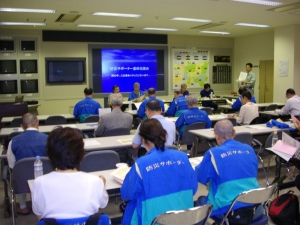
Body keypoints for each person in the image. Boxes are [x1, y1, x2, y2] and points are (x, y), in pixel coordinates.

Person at [121, 119, 198, 225]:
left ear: (143, 139)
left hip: (154, 221)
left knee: (130, 207)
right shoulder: (183, 157)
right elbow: (194, 189)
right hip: (183, 218)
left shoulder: (141, 164)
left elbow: (126, 193)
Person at [32, 127, 108, 220]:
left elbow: (40, 217)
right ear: (81, 154)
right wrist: (101, 185)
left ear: (50, 154)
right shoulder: (95, 181)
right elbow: (103, 205)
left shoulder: (39, 182)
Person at [195, 119, 262, 223]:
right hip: (257, 207)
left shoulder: (213, 153)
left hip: (231, 210)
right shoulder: (249, 149)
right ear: (234, 133)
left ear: (217, 136)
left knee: (199, 202)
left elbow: (201, 177)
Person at [6, 113, 48, 215]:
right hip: (44, 179)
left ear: (21, 126)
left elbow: (12, 165)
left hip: (22, 182)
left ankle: (23, 206)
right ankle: (44, 204)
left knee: (18, 172)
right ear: (37, 122)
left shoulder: (13, 141)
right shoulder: (48, 139)